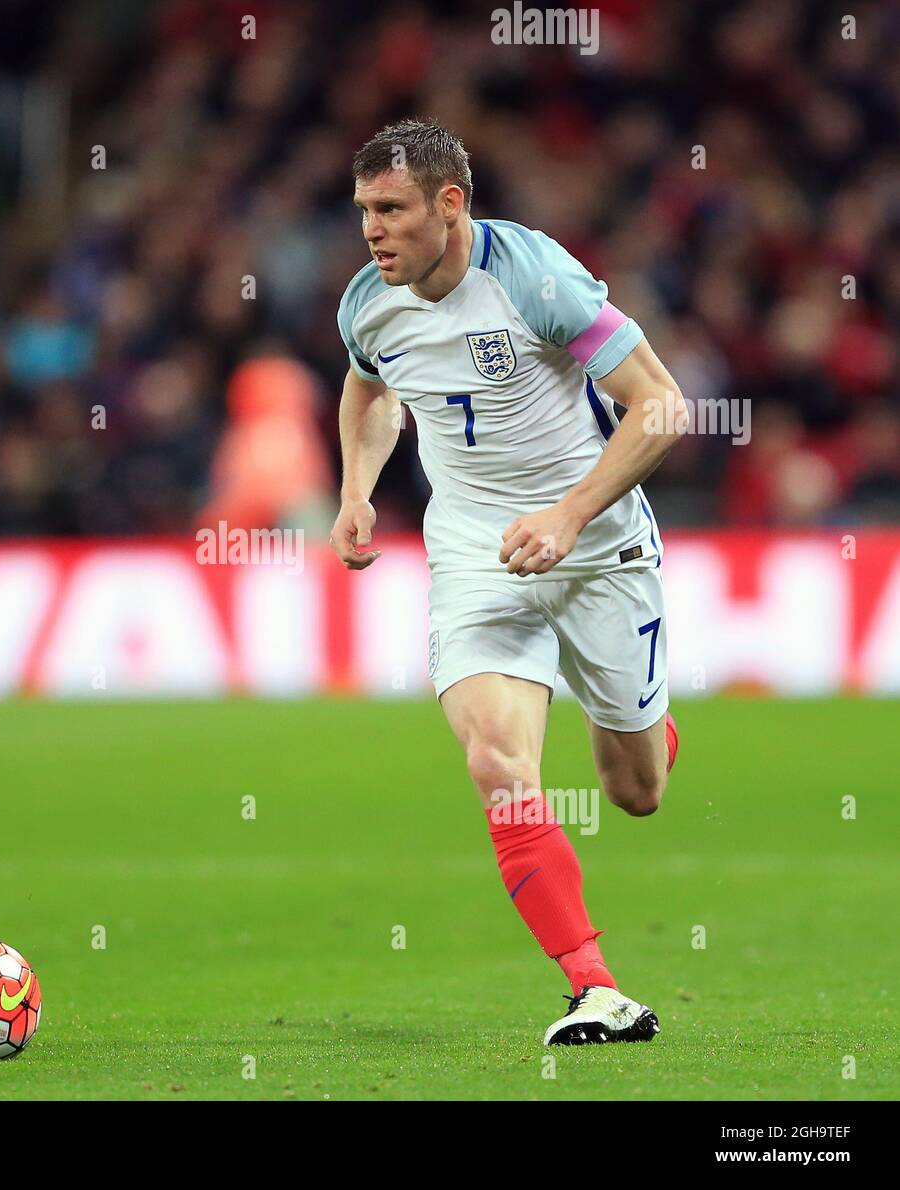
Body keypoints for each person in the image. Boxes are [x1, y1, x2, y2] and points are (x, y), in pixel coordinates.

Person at [331, 119, 685, 1045]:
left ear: (451, 205)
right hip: (473, 552)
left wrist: (568, 515)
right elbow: (369, 389)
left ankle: (642, 723)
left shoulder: (537, 279)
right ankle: (595, 988)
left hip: (594, 542)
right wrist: (357, 490)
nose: (373, 230)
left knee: (635, 791)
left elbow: (661, 406)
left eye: (392, 209)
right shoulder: (370, 302)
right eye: (364, 209)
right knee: (496, 761)